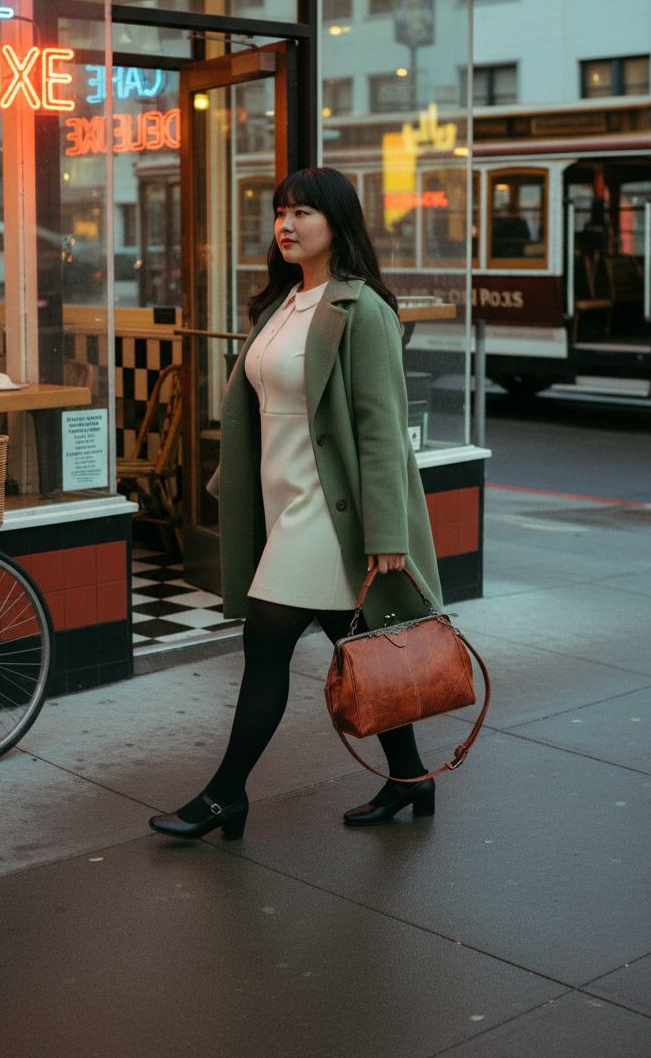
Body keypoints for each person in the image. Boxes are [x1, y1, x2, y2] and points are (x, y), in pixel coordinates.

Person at [149, 167, 443, 841]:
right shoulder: (281, 305)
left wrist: (387, 533)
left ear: (338, 224)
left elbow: (381, 429)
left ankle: (225, 797)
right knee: (361, 647)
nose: (286, 223)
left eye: (303, 212)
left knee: (265, 643)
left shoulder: (361, 310)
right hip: (284, 504)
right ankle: (411, 777)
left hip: (325, 512)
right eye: (281, 211)